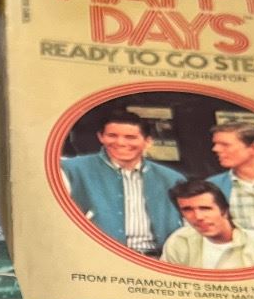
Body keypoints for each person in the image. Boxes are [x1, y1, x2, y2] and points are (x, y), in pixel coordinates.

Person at [60, 109, 185, 254]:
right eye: (112, 135)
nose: (120, 142)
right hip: (98, 256)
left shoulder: (172, 179)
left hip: (160, 258)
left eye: (130, 137)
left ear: (148, 141)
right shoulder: (71, 170)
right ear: (100, 137)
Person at [160, 180, 254, 270]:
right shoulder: (179, 241)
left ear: (224, 211)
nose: (198, 217)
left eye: (205, 208)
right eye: (188, 210)